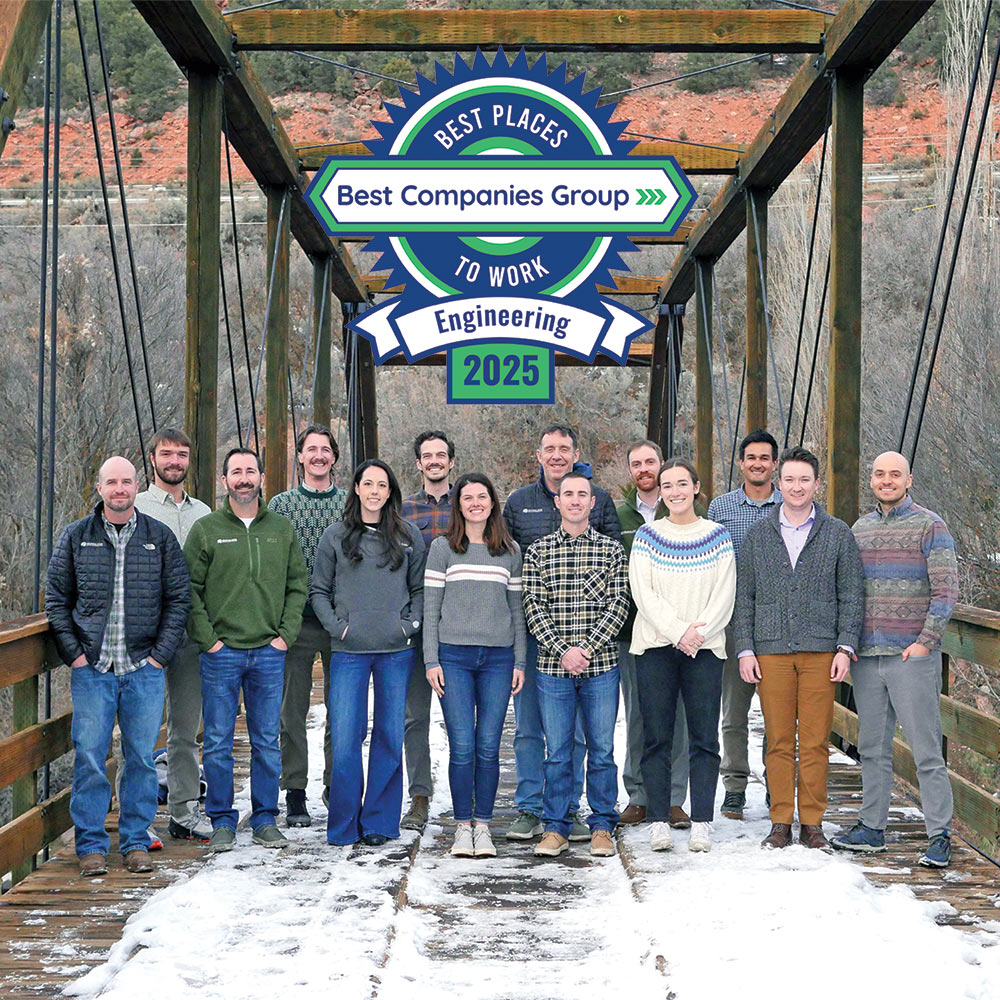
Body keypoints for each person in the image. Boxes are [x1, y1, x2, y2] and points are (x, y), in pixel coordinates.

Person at [46, 456, 191, 876]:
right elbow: (56, 599)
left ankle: (135, 840)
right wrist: (73, 652)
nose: (120, 489)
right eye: (112, 482)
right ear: (99, 488)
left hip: (143, 667)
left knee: (141, 757)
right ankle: (91, 845)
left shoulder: (159, 538)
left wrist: (159, 655)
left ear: (137, 485)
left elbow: (178, 600)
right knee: (90, 756)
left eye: (127, 482)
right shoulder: (76, 537)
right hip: (92, 667)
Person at [832, 451, 959, 867]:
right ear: (871, 480)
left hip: (911, 657)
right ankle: (872, 828)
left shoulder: (930, 525)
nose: (886, 480)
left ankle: (940, 834)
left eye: (895, 474)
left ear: (909, 480)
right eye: (879, 474)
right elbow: (848, 591)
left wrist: (925, 642)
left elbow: (945, 591)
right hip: (868, 656)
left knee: (925, 749)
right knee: (871, 747)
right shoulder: (859, 529)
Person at [734, 446, 864, 850]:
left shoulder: (838, 533)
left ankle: (812, 823)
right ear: (779, 481)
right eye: (788, 479)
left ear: (816, 484)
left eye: (804, 479)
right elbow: (745, 598)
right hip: (770, 651)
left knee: (813, 741)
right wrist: (745, 650)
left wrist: (845, 648)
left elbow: (852, 594)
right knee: (776, 740)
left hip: (821, 652)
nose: (795, 486)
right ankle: (779, 822)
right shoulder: (758, 534)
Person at [184, 448, 307, 853]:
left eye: (250, 471)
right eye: (235, 472)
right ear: (224, 481)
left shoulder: (281, 529)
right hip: (222, 653)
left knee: (267, 740)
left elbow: (297, 585)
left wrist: (285, 635)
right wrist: (210, 641)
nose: (243, 478)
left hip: (268, 651)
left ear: (261, 477)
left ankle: (265, 818)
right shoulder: (205, 529)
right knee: (217, 740)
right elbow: (190, 591)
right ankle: (221, 819)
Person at [503, 423, 621, 843]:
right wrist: (560, 647)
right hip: (543, 647)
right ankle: (534, 810)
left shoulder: (604, 522)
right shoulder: (518, 504)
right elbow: (523, 590)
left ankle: (578, 813)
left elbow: (616, 593)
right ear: (539, 455)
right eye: (549, 448)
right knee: (535, 732)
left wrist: (586, 647)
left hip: (596, 651)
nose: (556, 454)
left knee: (592, 742)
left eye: (564, 448)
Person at [310, 459, 426, 847]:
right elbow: (318, 592)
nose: (375, 491)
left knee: (390, 736)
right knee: (346, 738)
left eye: (382, 484)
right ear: (356, 488)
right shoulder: (335, 537)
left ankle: (378, 822)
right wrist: (339, 627)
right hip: (349, 651)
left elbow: (421, 590)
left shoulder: (408, 536)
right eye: (368, 484)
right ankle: (344, 825)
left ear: (390, 491)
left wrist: (407, 625)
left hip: (395, 651)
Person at [629, 457, 736, 853]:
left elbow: (724, 593)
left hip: (705, 650)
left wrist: (698, 633)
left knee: (704, 737)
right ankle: (658, 818)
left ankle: (702, 821)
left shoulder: (718, 536)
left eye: (681, 484)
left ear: (695, 487)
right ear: (661, 492)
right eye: (666, 485)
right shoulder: (647, 535)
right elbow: (644, 593)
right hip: (656, 647)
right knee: (657, 737)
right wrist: (678, 632)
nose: (674, 492)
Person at [522, 472, 629, 858]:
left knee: (601, 749)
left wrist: (585, 648)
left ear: (593, 502)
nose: (575, 500)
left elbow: (618, 605)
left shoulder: (611, 551)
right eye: (568, 494)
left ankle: (602, 824)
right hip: (552, 669)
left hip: (601, 666)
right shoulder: (538, 552)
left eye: (582, 495)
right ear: (558, 501)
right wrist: (563, 650)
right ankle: (556, 827)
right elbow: (533, 607)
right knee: (558, 751)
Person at [423, 473, 527, 858]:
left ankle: (483, 826)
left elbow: (517, 611)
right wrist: (431, 659)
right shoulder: (443, 549)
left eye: (482, 496)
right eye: (468, 497)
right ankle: (462, 827)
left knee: (488, 746)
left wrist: (519, 660)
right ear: (459, 505)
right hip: (454, 658)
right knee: (462, 745)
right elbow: (431, 608)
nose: (475, 503)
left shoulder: (510, 552)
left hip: (498, 659)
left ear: (492, 503)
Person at [133, 428, 212, 844]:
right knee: (140, 730)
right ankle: (138, 817)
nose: (175, 461)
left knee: (185, 729)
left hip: (190, 634)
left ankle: (183, 811)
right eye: (167, 454)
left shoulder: (204, 513)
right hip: (145, 634)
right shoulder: (135, 506)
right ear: (152, 459)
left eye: (182, 454)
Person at [267, 424, 347, 827]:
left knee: (342, 709)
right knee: (291, 709)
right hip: (294, 621)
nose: (318, 456)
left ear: (334, 457)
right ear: (299, 456)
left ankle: (337, 786)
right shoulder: (281, 506)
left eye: (325, 450)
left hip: (341, 622)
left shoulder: (351, 504)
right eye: (310, 449)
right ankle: (295, 790)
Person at [706, 429, 782, 821]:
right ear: (741, 462)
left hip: (778, 626)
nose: (757, 463)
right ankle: (734, 787)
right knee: (734, 714)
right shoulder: (720, 508)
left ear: (774, 463)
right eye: (750, 457)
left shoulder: (791, 504)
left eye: (764, 457)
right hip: (733, 624)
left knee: (777, 713)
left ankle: (777, 786)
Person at [616, 440, 691, 829]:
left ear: (662, 466)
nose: (644, 468)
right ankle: (639, 795)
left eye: (650, 461)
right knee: (640, 717)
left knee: (676, 718)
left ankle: (674, 797)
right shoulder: (617, 515)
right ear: (630, 471)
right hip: (633, 632)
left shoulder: (683, 507)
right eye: (636, 463)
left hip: (680, 635)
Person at [399, 431, 455, 832]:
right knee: (414, 718)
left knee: (461, 721)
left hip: (459, 628)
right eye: (427, 456)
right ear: (418, 463)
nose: (434, 461)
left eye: (441, 455)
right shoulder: (401, 512)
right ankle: (419, 796)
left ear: (451, 461)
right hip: (416, 628)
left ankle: (468, 797)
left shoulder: (472, 505)